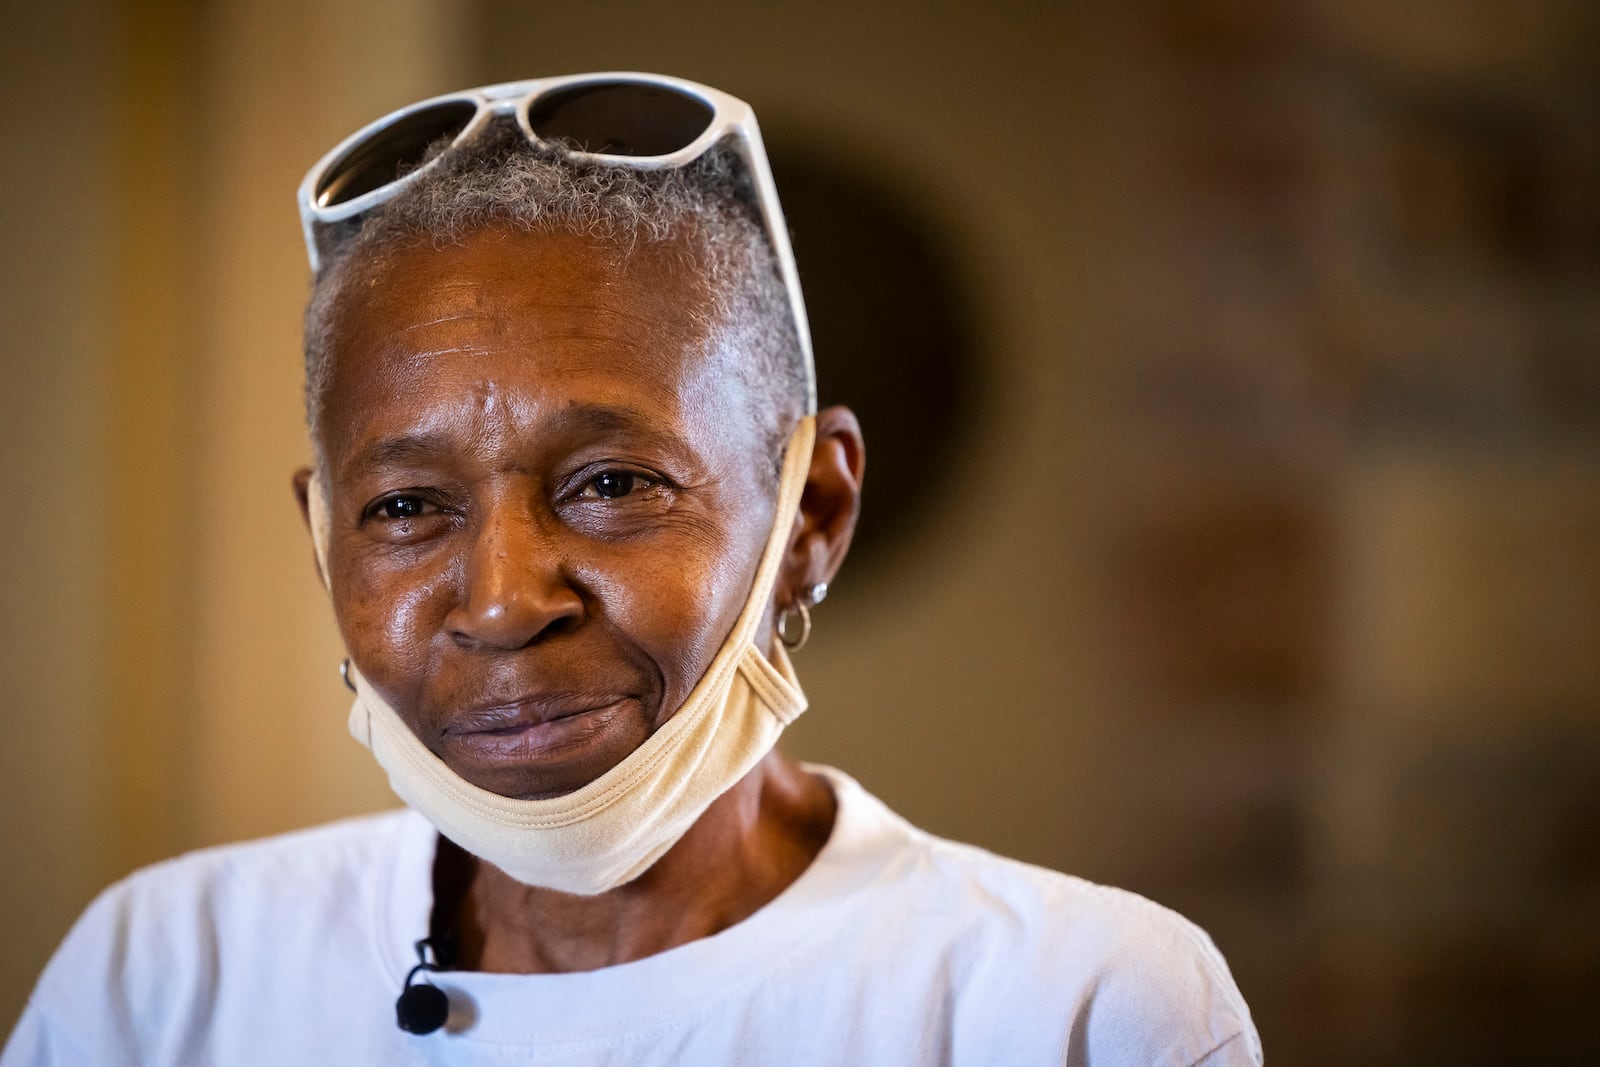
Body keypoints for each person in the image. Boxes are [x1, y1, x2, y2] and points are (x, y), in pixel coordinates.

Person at [2, 74, 1262, 1065]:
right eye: (404, 506)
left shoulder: (1072, 1009)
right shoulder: (169, 978)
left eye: (611, 484)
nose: (501, 600)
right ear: (322, 539)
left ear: (811, 513)